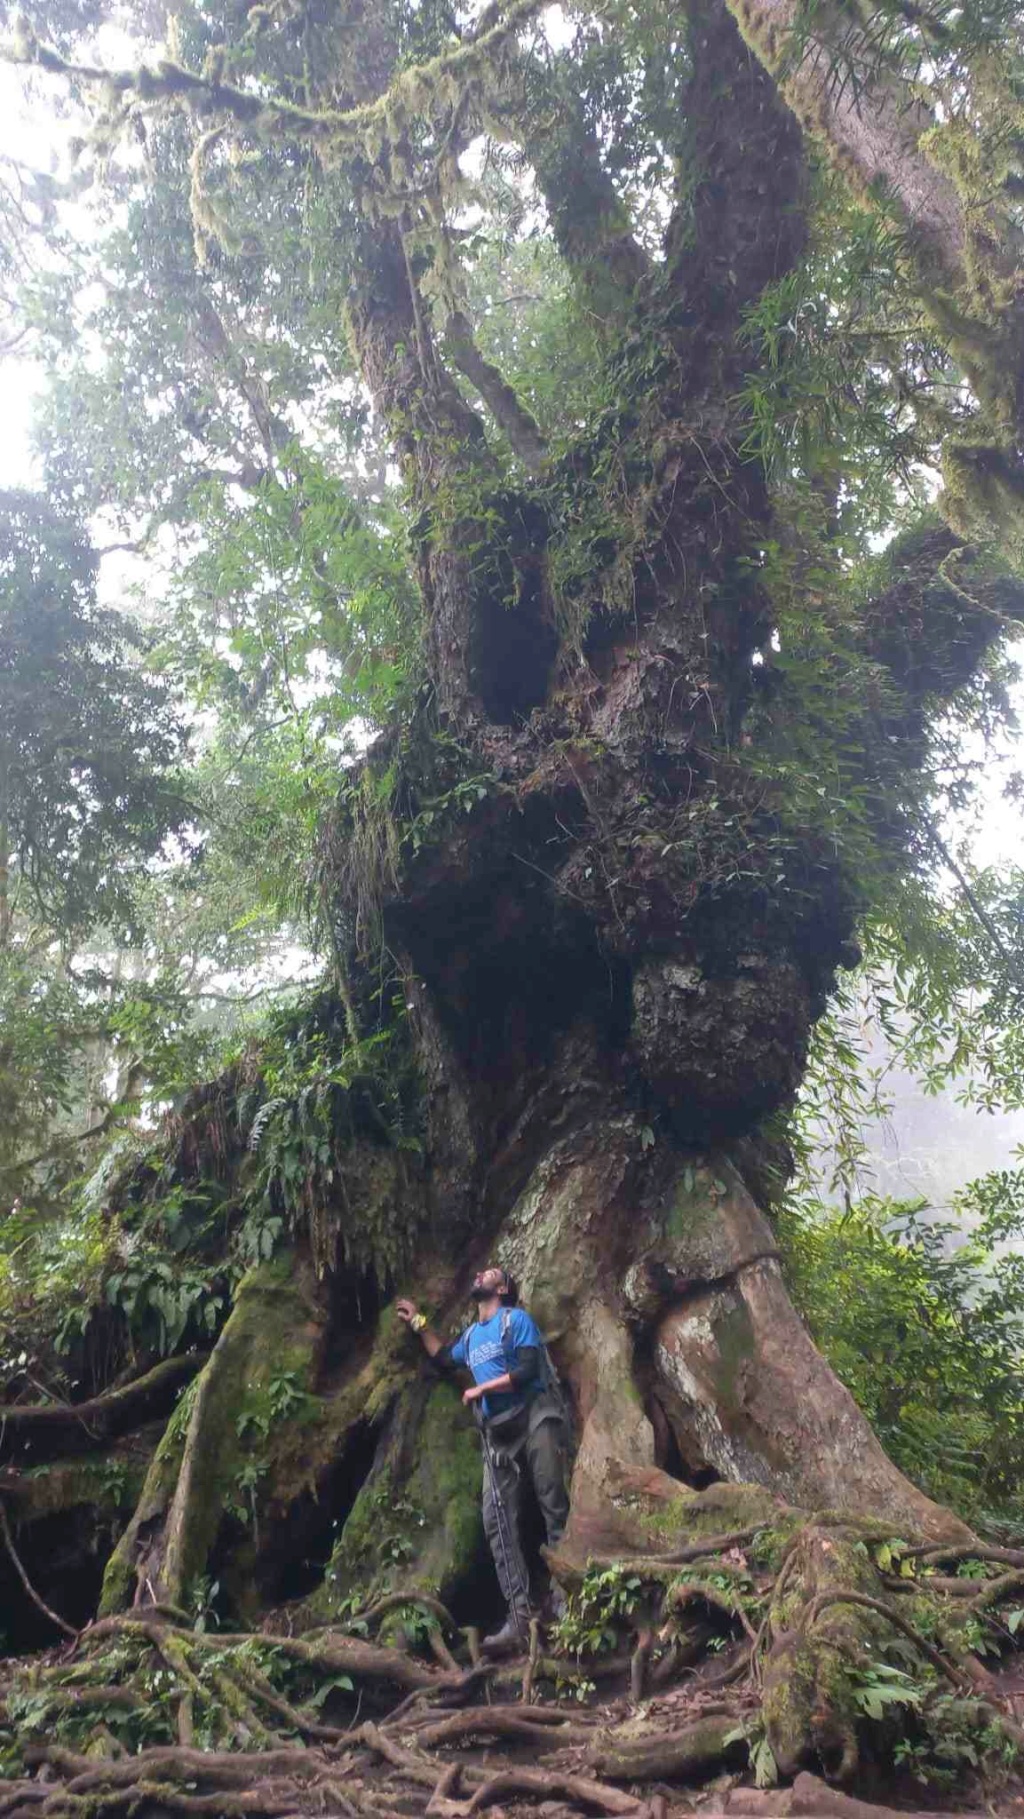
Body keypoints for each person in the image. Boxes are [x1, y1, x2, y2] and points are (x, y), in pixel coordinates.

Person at [396, 1265, 570, 1655]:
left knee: (551, 1498)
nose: (479, 1275)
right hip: (499, 1434)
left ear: (503, 1288)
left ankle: (567, 1597)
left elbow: (526, 1370)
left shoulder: (516, 1320)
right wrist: (419, 1322)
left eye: (489, 1274)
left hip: (535, 1416)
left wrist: (480, 1390)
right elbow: (443, 1358)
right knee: (495, 1519)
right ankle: (520, 1617)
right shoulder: (473, 1337)